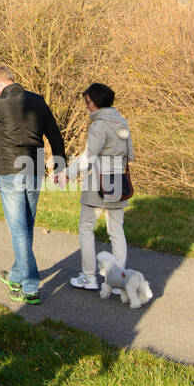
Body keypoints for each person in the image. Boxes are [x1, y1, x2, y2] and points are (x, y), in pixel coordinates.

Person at [0, 64, 67, 305]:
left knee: (19, 230)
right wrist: (60, 165)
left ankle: (29, 285)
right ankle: (15, 272)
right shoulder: (38, 101)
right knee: (26, 226)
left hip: (10, 171)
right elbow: (55, 134)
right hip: (34, 169)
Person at [68, 82, 134, 291]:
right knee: (117, 232)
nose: (86, 106)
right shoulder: (122, 122)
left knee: (86, 229)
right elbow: (130, 155)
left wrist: (66, 173)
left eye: (88, 101)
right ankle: (117, 282)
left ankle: (89, 278)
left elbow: (88, 158)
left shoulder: (98, 125)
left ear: (95, 102)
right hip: (118, 182)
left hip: (98, 182)